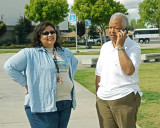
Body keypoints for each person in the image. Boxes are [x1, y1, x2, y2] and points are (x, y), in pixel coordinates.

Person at [4, 21, 78, 128]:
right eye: (45, 33)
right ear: (39, 37)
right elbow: (9, 67)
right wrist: (26, 84)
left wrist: (68, 81)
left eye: (52, 32)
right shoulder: (29, 53)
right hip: (43, 105)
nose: (50, 35)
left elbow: (73, 64)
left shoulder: (65, 52)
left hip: (65, 102)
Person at [95, 12, 142, 128]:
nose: (111, 31)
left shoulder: (133, 47)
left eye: (116, 28)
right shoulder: (105, 47)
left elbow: (129, 70)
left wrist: (120, 47)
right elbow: (99, 74)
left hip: (124, 98)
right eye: (110, 27)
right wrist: (98, 95)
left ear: (125, 30)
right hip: (103, 100)